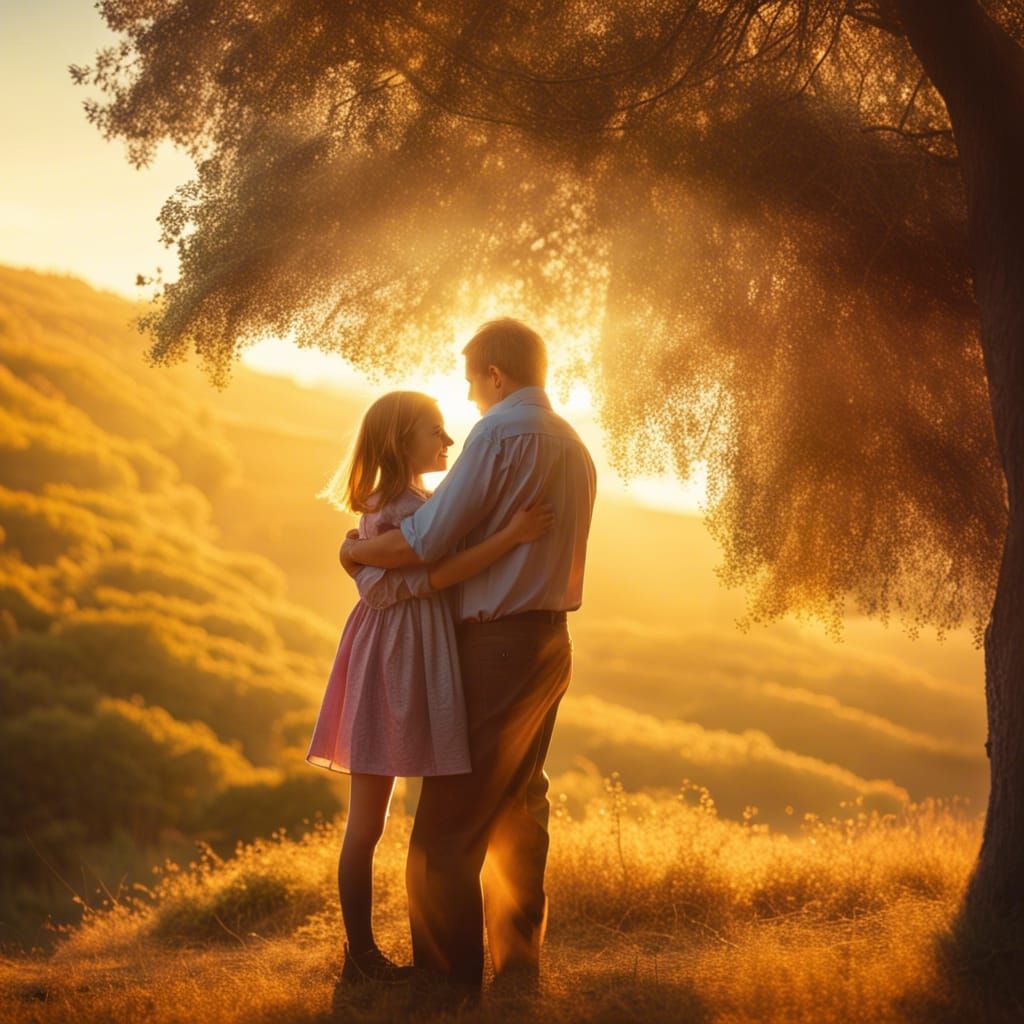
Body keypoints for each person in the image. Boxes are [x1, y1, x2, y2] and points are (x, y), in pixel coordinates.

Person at [340, 318, 597, 993]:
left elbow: (425, 540)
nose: (469, 406)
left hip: (498, 641)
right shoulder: (574, 444)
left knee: (445, 829)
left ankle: (444, 990)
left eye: (471, 386)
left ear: (495, 376)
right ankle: (517, 975)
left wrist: (355, 550)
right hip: (551, 641)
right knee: (519, 809)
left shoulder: (500, 432)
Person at [306, 389, 554, 983]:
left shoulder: (417, 500)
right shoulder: (390, 506)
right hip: (389, 659)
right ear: (399, 442)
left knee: (409, 817)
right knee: (368, 824)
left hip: (421, 655)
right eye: (433, 431)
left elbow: (442, 544)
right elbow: (432, 572)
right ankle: (360, 957)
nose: (447, 441)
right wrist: (513, 537)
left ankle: (403, 954)